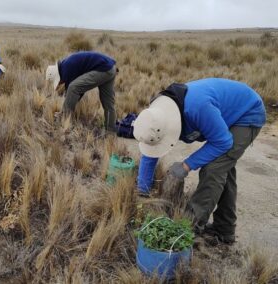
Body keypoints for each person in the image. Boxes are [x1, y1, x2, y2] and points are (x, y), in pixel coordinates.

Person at [133, 78, 266, 244]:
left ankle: (189, 228)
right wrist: (142, 191)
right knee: (223, 165)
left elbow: (223, 142)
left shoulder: (196, 108)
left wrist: (186, 165)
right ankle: (224, 229)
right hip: (226, 113)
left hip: (247, 113)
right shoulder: (155, 117)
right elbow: (150, 149)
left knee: (213, 168)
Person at [45, 51, 117, 132]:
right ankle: (110, 131)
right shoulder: (66, 64)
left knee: (73, 87)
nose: (59, 83)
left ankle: (65, 120)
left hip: (103, 69)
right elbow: (78, 92)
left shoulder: (66, 69)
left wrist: (63, 112)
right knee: (108, 103)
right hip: (110, 68)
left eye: (58, 82)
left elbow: (73, 91)